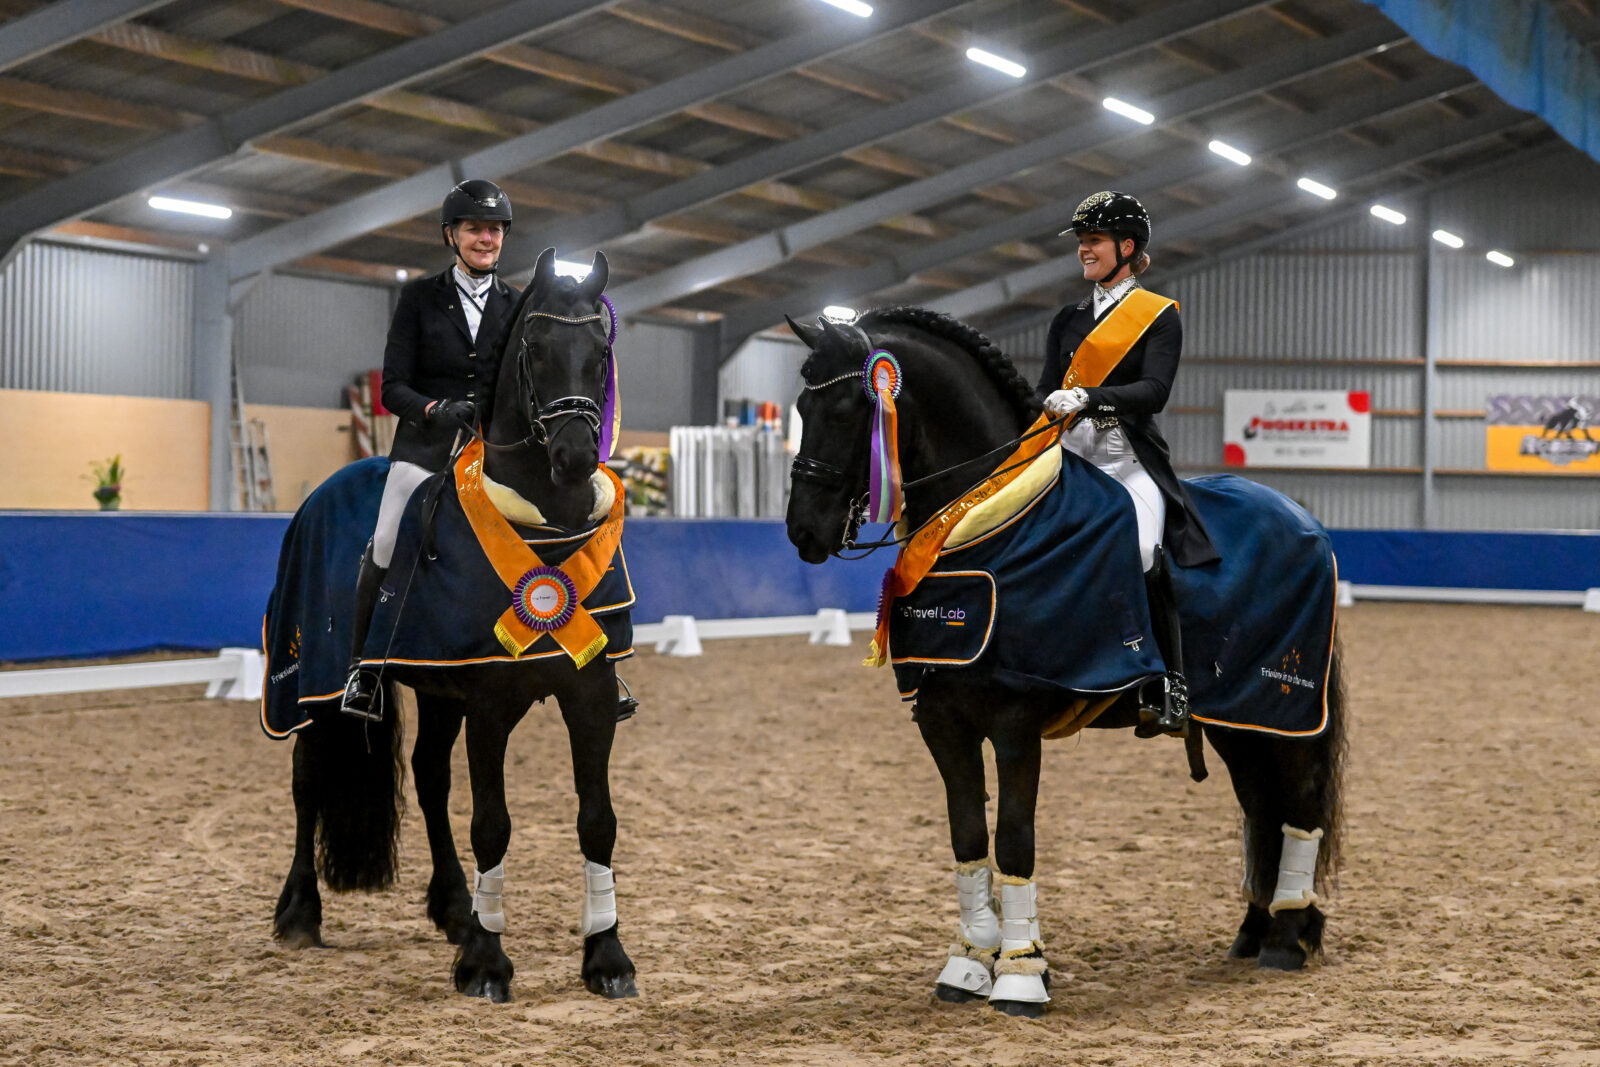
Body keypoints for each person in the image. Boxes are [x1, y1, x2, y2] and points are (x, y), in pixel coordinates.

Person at [1037, 191, 1219, 739]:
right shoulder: (1067, 318)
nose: (1084, 250)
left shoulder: (1158, 316)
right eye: (1082, 242)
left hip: (1127, 459)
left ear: (1126, 247)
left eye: (1093, 240)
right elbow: (1045, 387)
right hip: (1068, 458)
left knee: (1142, 549)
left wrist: (1088, 396)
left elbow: (1155, 391)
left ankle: (1168, 683)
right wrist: (1045, 403)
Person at [340, 179, 519, 719]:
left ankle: (589, 654)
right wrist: (436, 409)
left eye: (494, 230)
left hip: (494, 452)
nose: (485, 239)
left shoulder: (516, 304)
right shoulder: (419, 298)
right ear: (451, 235)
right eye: (474, 229)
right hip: (426, 447)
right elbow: (392, 387)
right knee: (388, 536)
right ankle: (364, 668)